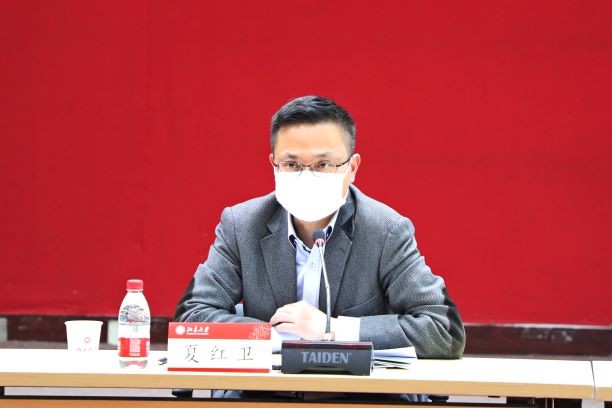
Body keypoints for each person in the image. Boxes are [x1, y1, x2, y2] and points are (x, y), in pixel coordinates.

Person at [175, 95, 465, 360]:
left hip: (357, 393)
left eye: (323, 164)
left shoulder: (385, 230)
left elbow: (443, 330)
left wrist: (332, 330)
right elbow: (191, 316)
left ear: (352, 168)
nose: (306, 176)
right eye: (291, 164)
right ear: (274, 165)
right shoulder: (242, 225)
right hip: (264, 392)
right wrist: (277, 336)